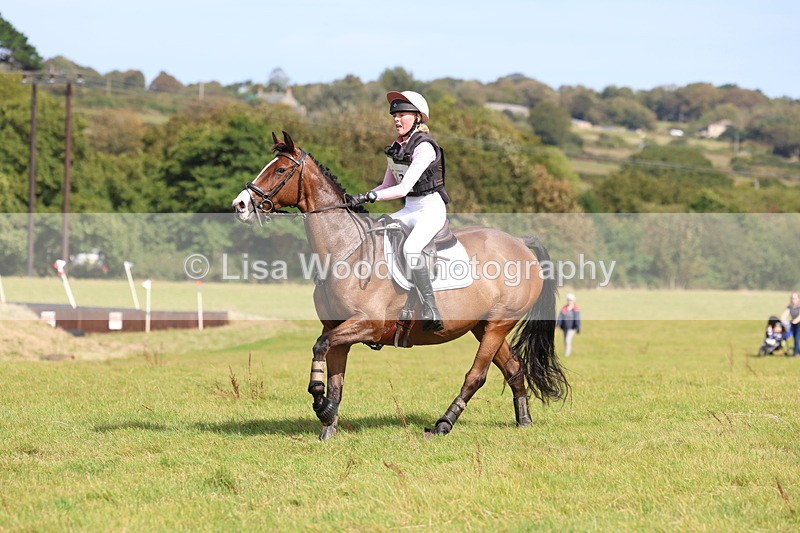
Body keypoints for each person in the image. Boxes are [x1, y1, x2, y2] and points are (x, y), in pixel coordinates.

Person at [349, 91, 449, 331]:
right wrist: (357, 197)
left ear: (417, 118)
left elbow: (403, 188)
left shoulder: (424, 148)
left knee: (411, 248)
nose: (396, 119)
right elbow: (385, 186)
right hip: (410, 209)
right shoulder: (396, 148)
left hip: (431, 209)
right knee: (374, 234)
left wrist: (370, 197)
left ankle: (430, 307)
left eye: (402, 114)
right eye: (394, 115)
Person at [780, 292, 800, 357]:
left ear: (798, 299)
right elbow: (785, 314)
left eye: (795, 298)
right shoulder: (790, 306)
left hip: (798, 323)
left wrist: (795, 321)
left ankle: (795, 354)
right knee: (789, 336)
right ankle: (797, 350)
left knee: (797, 338)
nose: (793, 300)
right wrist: (782, 320)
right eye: (792, 298)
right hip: (794, 324)